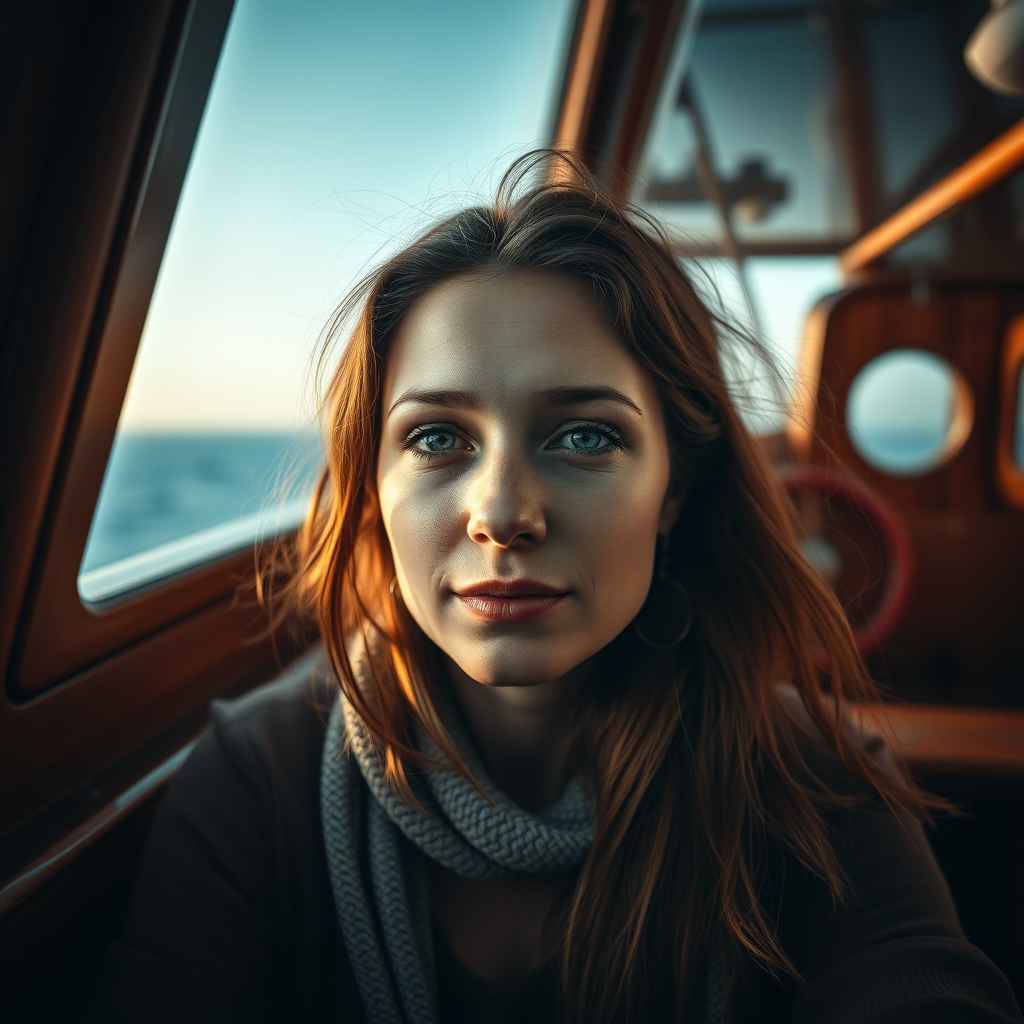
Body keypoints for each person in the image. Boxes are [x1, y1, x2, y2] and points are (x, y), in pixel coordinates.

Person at [86, 152, 1022, 1024]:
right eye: (436, 438)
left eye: (584, 436)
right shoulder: (259, 784)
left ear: (675, 491)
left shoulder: (816, 782)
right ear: (373, 486)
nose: (502, 514)